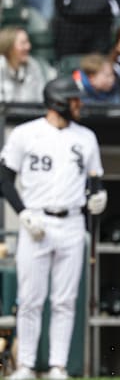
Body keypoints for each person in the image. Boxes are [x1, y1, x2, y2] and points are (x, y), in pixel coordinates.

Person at [1, 76, 107, 380]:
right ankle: (26, 365)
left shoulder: (85, 137)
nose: (79, 104)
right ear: (58, 102)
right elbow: (4, 178)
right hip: (36, 219)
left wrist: (99, 198)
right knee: (30, 298)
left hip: (72, 222)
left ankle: (58, 366)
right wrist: (22, 213)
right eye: (74, 99)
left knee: (65, 299)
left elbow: (95, 182)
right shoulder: (26, 134)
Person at [0, 26, 48, 103]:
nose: (28, 47)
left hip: (31, 113)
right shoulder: (1, 66)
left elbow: (41, 98)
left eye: (28, 42)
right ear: (9, 46)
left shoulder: (33, 65)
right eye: (23, 43)